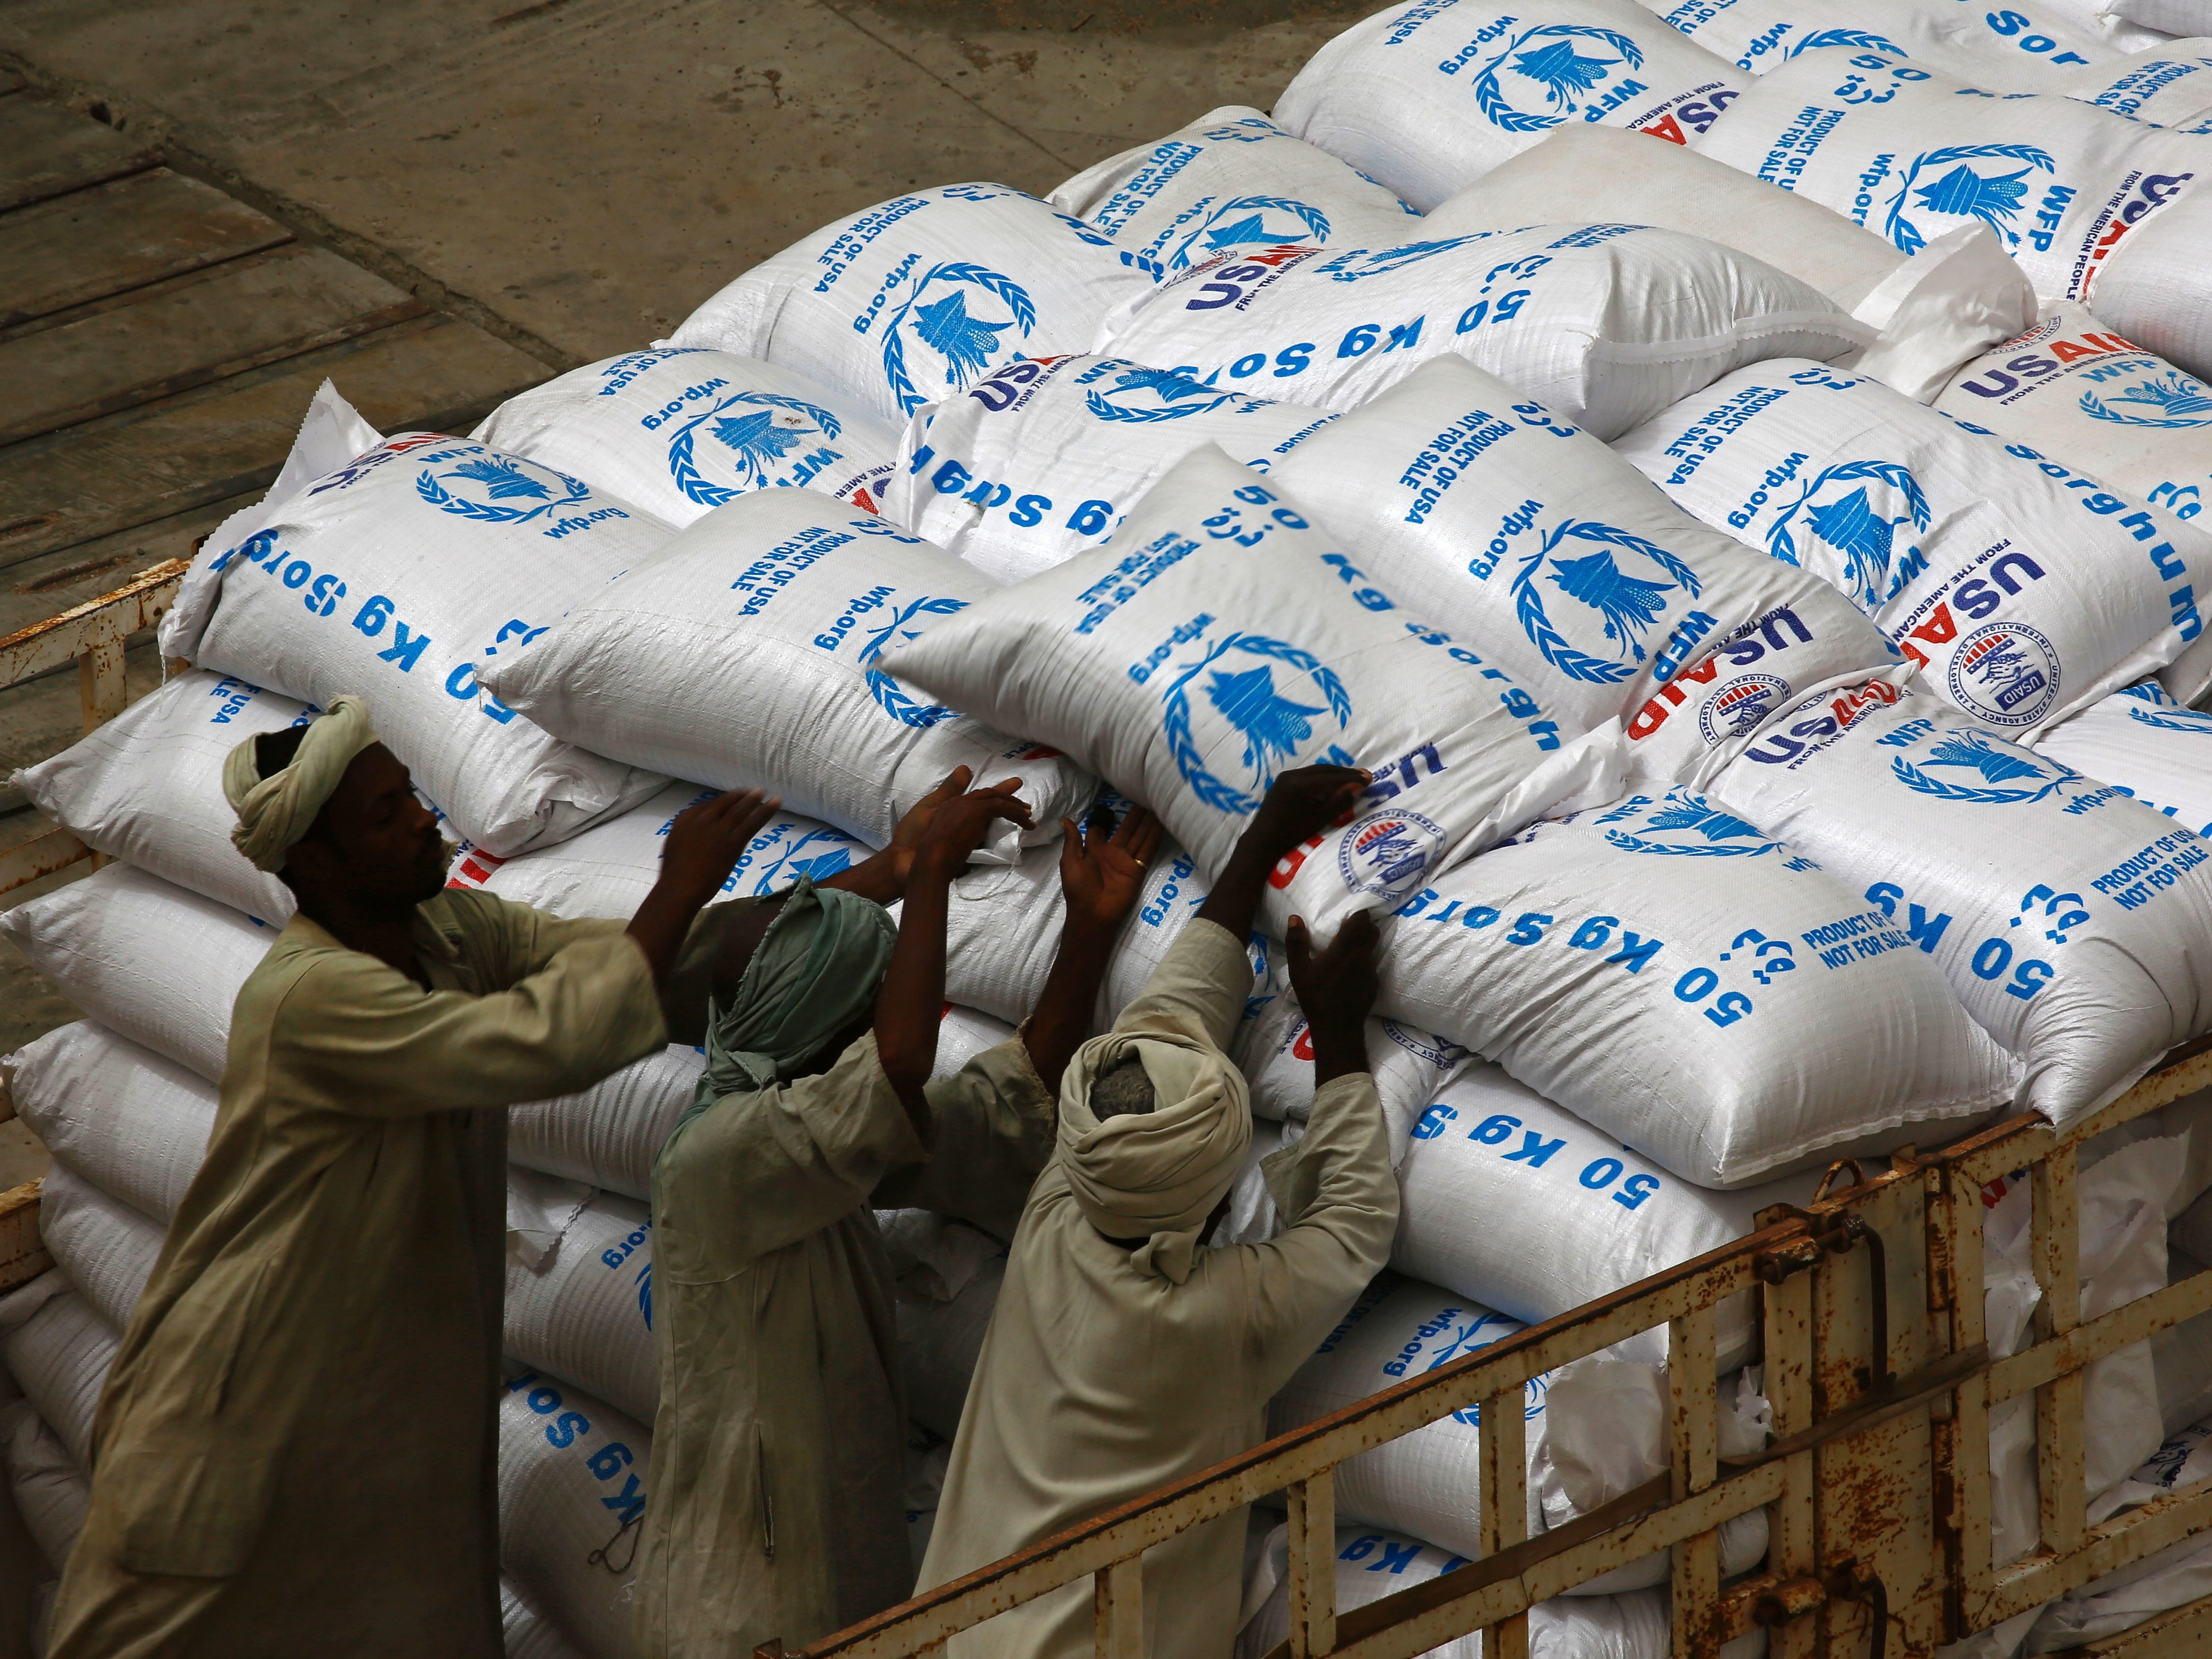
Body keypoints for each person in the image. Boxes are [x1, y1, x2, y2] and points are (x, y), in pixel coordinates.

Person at [47, 696, 772, 1659]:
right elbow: (539, 1040)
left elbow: (632, 966)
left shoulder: (450, 932)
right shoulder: (311, 999)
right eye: (387, 815)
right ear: (318, 865)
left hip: (382, 1445)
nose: (426, 818)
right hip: (241, 1427)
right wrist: (678, 884)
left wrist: (892, 874)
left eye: (411, 796)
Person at [634, 772, 1166, 1659]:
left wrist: (1088, 932)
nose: (892, 1016)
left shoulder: (814, 1138)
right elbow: (899, 1063)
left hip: (821, 1595)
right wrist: (923, 879)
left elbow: (1006, 1101)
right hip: (737, 1617)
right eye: (871, 1002)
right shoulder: (723, 1154)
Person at [916, 765, 1402, 1659]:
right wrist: (1337, 1035)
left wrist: (1259, 839)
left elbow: (1168, 1018)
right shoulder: (1214, 1313)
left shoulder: (1063, 1205)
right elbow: (1352, 1224)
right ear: (1216, 1189)